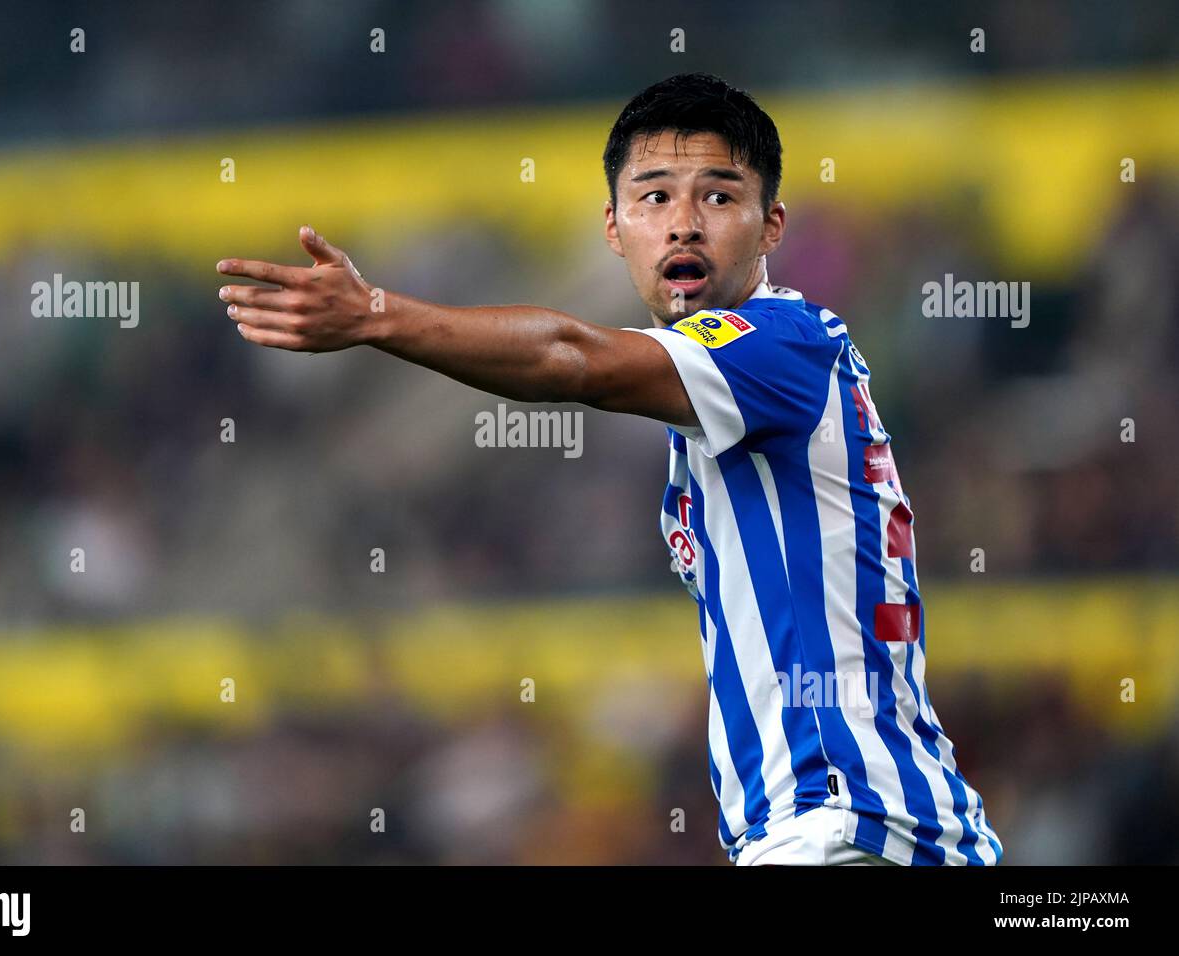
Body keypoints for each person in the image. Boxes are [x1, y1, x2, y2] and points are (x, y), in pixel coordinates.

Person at [216, 72, 1003, 866]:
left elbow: (573, 358)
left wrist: (376, 315)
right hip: (872, 829)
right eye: (654, 198)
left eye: (720, 198)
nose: (684, 226)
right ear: (614, 226)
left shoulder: (777, 346)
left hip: (844, 828)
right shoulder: (751, 382)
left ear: (772, 227)